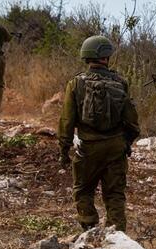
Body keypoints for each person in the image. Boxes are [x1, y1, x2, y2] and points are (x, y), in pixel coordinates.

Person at [58, 36, 140, 232]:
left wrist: (64, 150)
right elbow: (132, 121)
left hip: (88, 147)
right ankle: (117, 237)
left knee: (83, 191)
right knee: (115, 195)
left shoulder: (76, 83)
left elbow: (67, 121)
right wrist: (125, 143)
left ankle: (89, 231)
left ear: (86, 57)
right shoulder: (121, 82)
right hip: (115, 147)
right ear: (106, 56)